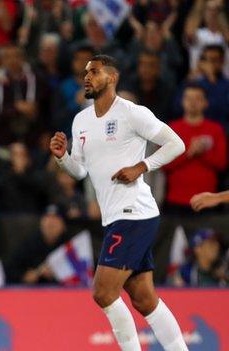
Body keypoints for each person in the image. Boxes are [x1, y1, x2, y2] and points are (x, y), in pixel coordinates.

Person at [49, 55, 188, 351]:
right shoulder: (81, 120)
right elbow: (81, 170)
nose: (87, 77)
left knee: (102, 291)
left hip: (134, 213)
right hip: (114, 217)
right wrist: (63, 158)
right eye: (86, 73)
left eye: (95, 72)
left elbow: (177, 143)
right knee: (143, 298)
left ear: (112, 78)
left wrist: (142, 166)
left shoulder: (132, 113)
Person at [164, 84, 226, 215]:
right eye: (188, 98)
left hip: (207, 199)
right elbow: (163, 164)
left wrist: (202, 152)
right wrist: (188, 152)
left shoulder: (215, 129)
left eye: (197, 98)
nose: (192, 103)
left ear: (205, 103)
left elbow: (222, 163)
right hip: (176, 200)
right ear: (182, 101)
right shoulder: (172, 128)